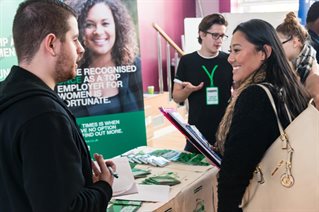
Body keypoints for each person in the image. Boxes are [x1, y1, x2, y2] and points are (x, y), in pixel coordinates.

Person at [0, 1, 115, 211]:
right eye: (74, 39)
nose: (81, 49)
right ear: (51, 44)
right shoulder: (45, 116)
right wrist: (103, 187)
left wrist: (75, 177)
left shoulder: (8, 96)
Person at [214, 19, 310, 212]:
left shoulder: (256, 96)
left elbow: (234, 176)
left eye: (237, 50)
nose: (229, 58)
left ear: (264, 53)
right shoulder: (288, 88)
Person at [57, 0, 143, 117]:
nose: (98, 31)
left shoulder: (134, 67)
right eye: (89, 25)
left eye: (105, 23)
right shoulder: (67, 74)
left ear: (117, 27)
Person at [172, 13, 233, 153]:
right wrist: (189, 90)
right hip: (197, 132)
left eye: (222, 36)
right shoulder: (187, 61)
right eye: (215, 35)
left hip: (224, 131)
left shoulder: (228, 60)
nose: (219, 40)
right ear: (202, 34)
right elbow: (176, 97)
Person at [276, 11, 319, 109]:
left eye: (279, 45)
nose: (276, 50)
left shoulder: (313, 77)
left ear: (296, 42)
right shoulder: (296, 69)